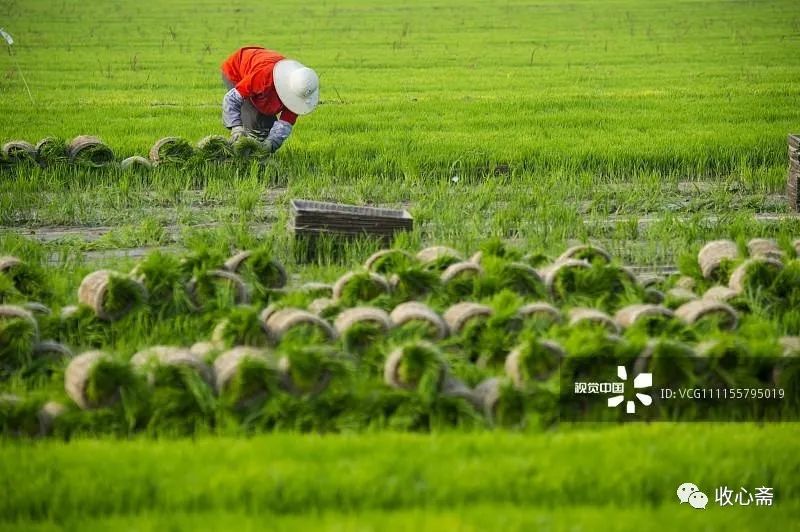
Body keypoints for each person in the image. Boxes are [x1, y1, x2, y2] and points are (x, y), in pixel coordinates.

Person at [220, 46, 319, 152]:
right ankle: (239, 155)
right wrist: (236, 128)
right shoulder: (264, 77)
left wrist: (270, 144)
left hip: (261, 73)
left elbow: (285, 123)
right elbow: (232, 99)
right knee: (255, 125)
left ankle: (255, 155)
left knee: (265, 129)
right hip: (237, 71)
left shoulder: (300, 93)